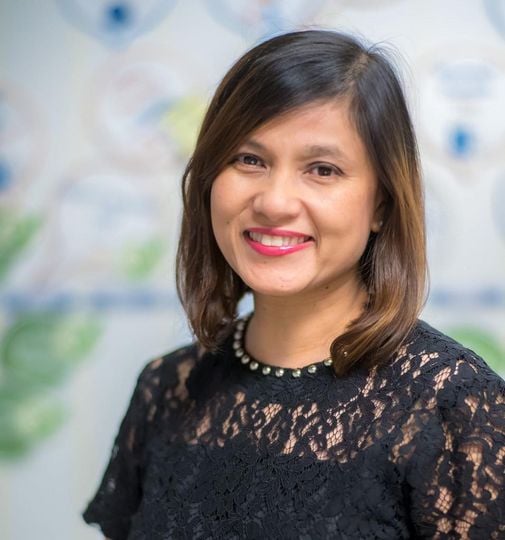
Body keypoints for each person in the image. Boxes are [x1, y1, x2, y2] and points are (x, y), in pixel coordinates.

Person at [82, 30, 505, 539]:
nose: (274, 202)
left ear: (381, 204)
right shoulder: (166, 391)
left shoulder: (452, 405)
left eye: (322, 169)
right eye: (249, 160)